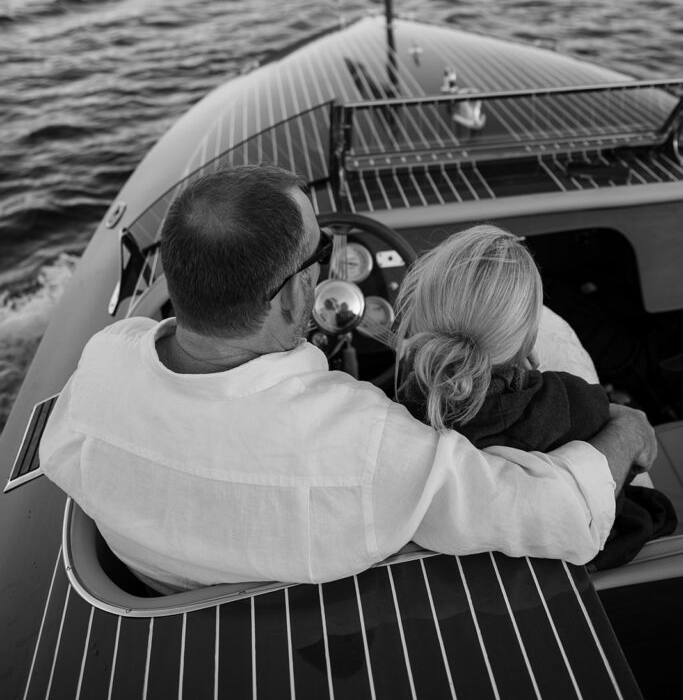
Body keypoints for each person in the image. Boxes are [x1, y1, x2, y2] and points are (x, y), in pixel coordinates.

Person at [40, 165, 658, 592]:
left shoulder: (101, 367)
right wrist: (627, 432)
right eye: (320, 258)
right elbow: (564, 516)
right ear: (294, 299)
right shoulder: (362, 448)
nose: (327, 271)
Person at [396, 225, 676, 570]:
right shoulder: (575, 401)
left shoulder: (400, 415)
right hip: (603, 565)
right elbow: (630, 470)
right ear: (530, 341)